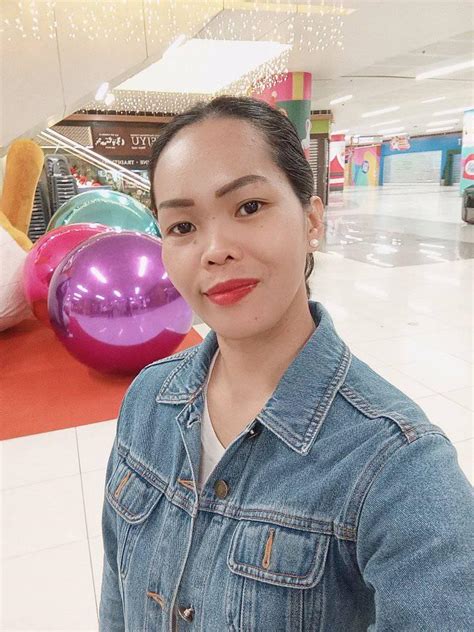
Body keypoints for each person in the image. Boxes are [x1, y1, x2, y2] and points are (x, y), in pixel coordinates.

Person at [99, 96, 473, 631]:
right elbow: (117, 597)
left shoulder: (399, 469)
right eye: (182, 226)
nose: (215, 249)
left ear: (312, 219)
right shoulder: (147, 399)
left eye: (249, 207)